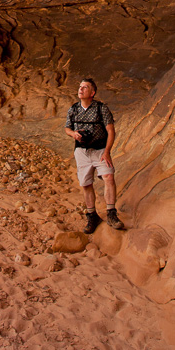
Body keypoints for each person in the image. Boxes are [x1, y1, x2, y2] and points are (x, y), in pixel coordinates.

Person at [65, 77, 125, 234]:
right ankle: (92, 216)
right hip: (82, 151)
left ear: (92, 92)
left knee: (109, 177)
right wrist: (74, 134)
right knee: (86, 184)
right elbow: (67, 128)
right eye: (80, 86)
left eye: (85, 87)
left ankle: (111, 214)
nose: (81, 89)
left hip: (100, 150)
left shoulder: (101, 109)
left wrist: (107, 152)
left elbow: (111, 131)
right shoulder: (73, 109)